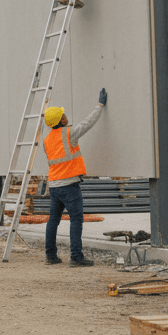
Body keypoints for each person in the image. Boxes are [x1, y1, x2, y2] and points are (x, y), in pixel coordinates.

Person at [42, 88, 106, 266]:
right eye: (63, 115)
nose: (65, 116)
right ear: (60, 120)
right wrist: (100, 106)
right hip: (69, 185)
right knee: (76, 219)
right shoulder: (68, 133)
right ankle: (76, 257)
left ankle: (51, 256)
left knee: (53, 220)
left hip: (54, 186)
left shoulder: (47, 140)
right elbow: (87, 123)